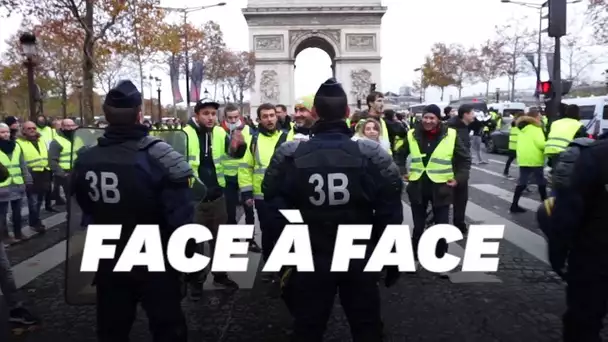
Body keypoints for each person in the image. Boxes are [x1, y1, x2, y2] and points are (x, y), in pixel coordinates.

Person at [262, 78, 403, 341]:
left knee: (308, 327)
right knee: (367, 327)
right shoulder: (370, 154)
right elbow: (389, 210)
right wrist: (392, 256)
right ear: (348, 113)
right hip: (358, 252)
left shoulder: (291, 155)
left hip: (311, 252)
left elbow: (274, 212)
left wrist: (282, 259)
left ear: (314, 113)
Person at [70, 80, 191, 342]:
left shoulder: (86, 158)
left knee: (112, 327)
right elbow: (181, 216)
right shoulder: (159, 156)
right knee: (168, 327)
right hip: (153, 254)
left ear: (106, 115)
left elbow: (85, 204)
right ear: (139, 114)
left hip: (108, 253)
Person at [541, 131, 608, 341]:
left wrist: (558, 258)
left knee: (583, 323)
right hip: (595, 255)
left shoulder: (594, 156)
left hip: (595, 258)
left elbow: (566, 214)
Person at [183, 97, 241, 297]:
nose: (210, 118)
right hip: (194, 197)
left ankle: (220, 275)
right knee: (196, 241)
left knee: (221, 239)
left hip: (217, 195)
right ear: (197, 115)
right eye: (206, 113)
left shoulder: (219, 132)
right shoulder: (185, 133)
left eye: (213, 114)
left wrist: (237, 146)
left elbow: (234, 154)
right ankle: (196, 279)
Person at [400, 104, 470, 267]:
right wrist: (402, 170)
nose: (428, 121)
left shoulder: (451, 134)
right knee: (418, 226)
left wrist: (459, 178)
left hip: (442, 186)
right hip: (418, 185)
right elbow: (399, 154)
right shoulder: (411, 134)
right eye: (425, 117)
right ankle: (415, 258)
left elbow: (464, 159)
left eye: (432, 118)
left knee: (442, 225)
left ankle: (440, 258)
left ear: (438, 119)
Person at [238, 103, 293, 278]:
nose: (269, 119)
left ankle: (287, 267)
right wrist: (247, 193)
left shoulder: (288, 137)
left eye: (272, 115)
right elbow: (246, 167)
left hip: (285, 194)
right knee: (267, 233)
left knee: (286, 231)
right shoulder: (253, 140)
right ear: (259, 119)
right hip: (262, 196)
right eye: (265, 116)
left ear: (276, 117)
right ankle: (271, 266)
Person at [219, 103, 261, 253]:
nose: (233, 120)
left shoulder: (249, 130)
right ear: (225, 117)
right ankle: (234, 240)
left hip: (245, 176)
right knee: (230, 211)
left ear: (240, 116)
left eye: (236, 117)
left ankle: (250, 240)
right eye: (230, 118)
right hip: (228, 177)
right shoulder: (218, 131)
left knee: (249, 209)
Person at [18, 121, 53, 233]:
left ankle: (35, 219)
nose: (32, 130)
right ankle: (34, 222)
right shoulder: (19, 143)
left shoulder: (41, 140)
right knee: (32, 200)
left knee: (39, 200)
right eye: (29, 128)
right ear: (23, 130)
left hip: (43, 173)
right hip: (31, 173)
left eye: (34, 128)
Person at [0, 123, 32, 245]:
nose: (6, 134)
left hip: (17, 184)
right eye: (2, 132)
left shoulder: (16, 146)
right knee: (2, 214)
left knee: (17, 212)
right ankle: (5, 236)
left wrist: (27, 179)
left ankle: (18, 232)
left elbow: (22, 164)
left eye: (7, 131)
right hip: (2, 186)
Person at [510, 110, 547, 213]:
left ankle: (514, 205)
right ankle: (546, 205)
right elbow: (540, 144)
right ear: (535, 117)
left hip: (523, 158)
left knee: (522, 182)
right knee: (541, 182)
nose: (540, 118)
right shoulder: (536, 129)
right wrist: (548, 146)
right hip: (534, 157)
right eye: (539, 116)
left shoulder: (522, 128)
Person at [446, 104, 475, 234]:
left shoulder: (461, 126)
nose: (474, 115)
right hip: (453, 167)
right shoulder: (455, 128)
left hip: (459, 167)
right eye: (472, 113)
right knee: (452, 198)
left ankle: (459, 223)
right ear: (465, 114)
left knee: (460, 198)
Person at [544, 104, 587, 168]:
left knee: (556, 172)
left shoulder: (555, 122)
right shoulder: (579, 125)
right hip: (565, 153)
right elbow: (580, 142)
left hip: (550, 150)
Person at [48, 118, 79, 204]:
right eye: (68, 126)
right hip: (66, 173)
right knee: (70, 199)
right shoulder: (57, 141)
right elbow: (52, 161)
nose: (71, 128)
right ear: (62, 127)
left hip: (77, 171)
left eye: (72, 125)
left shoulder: (78, 138)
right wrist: (63, 174)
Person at [503, 113, 522, 178]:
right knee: (521, 162)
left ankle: (505, 172)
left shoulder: (513, 125)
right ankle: (522, 176)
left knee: (510, 160)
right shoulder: (520, 127)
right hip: (518, 146)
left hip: (512, 146)